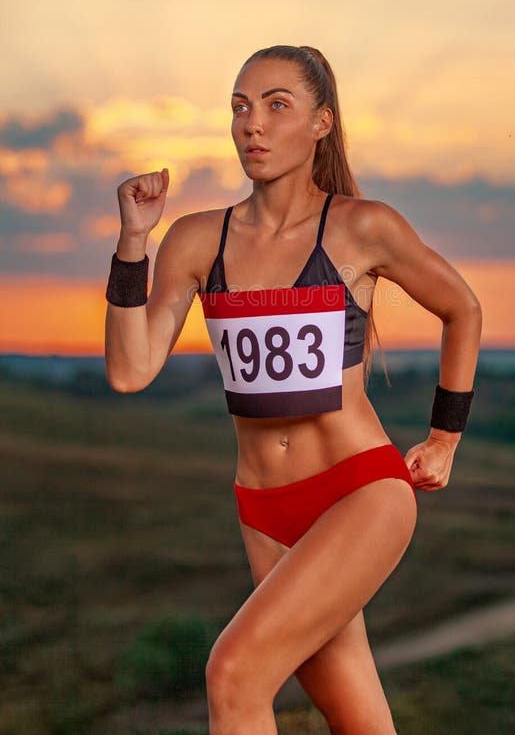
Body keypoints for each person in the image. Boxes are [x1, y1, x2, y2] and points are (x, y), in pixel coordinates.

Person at [104, 44, 482, 734]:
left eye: (278, 106)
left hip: (360, 490)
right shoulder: (194, 241)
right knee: (355, 717)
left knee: (234, 674)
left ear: (321, 124)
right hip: (263, 509)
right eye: (241, 107)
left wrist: (444, 437)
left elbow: (463, 309)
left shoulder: (362, 227)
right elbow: (130, 371)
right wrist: (134, 243)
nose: (254, 125)